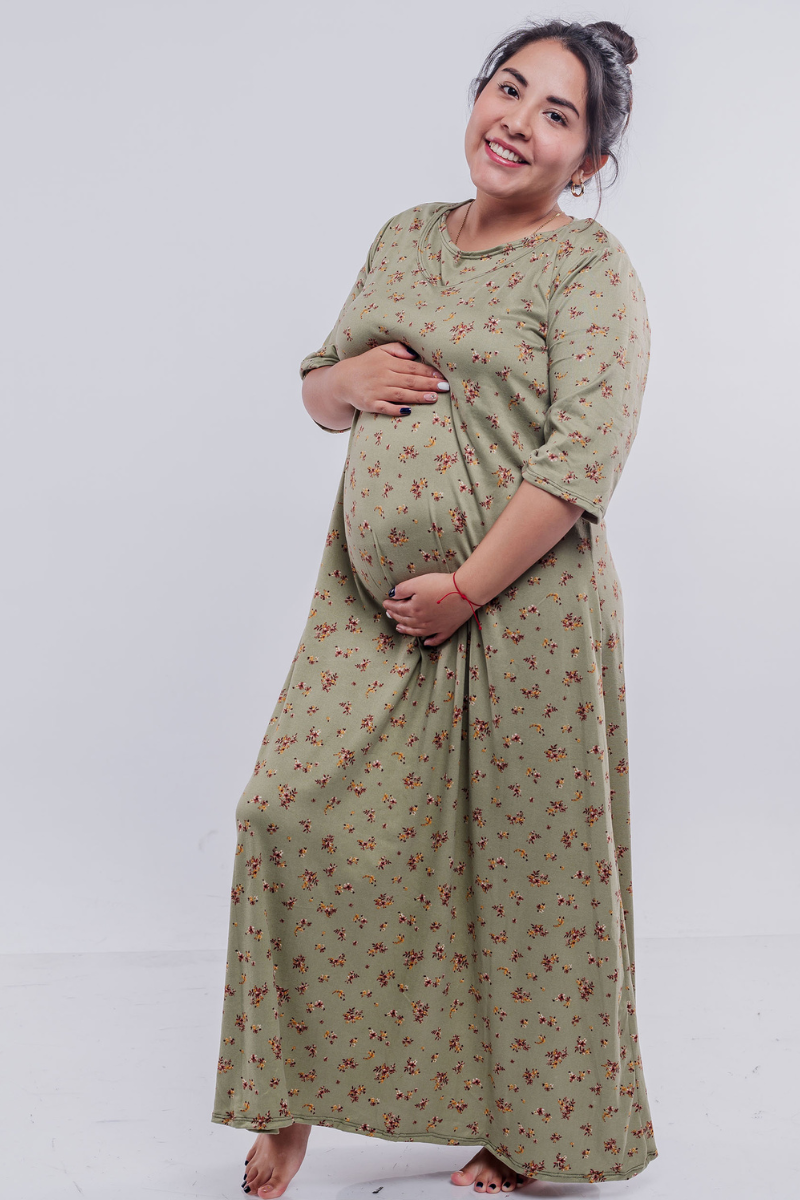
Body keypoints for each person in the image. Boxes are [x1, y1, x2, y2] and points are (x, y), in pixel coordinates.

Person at [212, 16, 659, 1197]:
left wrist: (466, 587)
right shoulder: (404, 237)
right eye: (506, 89)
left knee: (525, 883)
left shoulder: (587, 271)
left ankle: (527, 1137)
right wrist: (342, 380)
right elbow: (318, 395)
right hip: (366, 621)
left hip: (523, 618)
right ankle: (288, 1102)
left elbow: (582, 457)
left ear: (587, 161)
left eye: (555, 114)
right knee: (282, 815)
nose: (516, 121)